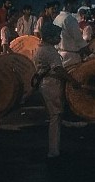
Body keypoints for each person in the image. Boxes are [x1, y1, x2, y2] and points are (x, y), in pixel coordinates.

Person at [32, 22, 83, 159]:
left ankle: (54, 148)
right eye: (57, 36)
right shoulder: (49, 51)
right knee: (55, 117)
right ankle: (53, 151)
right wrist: (73, 81)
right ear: (49, 38)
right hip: (51, 84)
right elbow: (58, 69)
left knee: (55, 116)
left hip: (45, 84)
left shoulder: (40, 49)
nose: (59, 39)